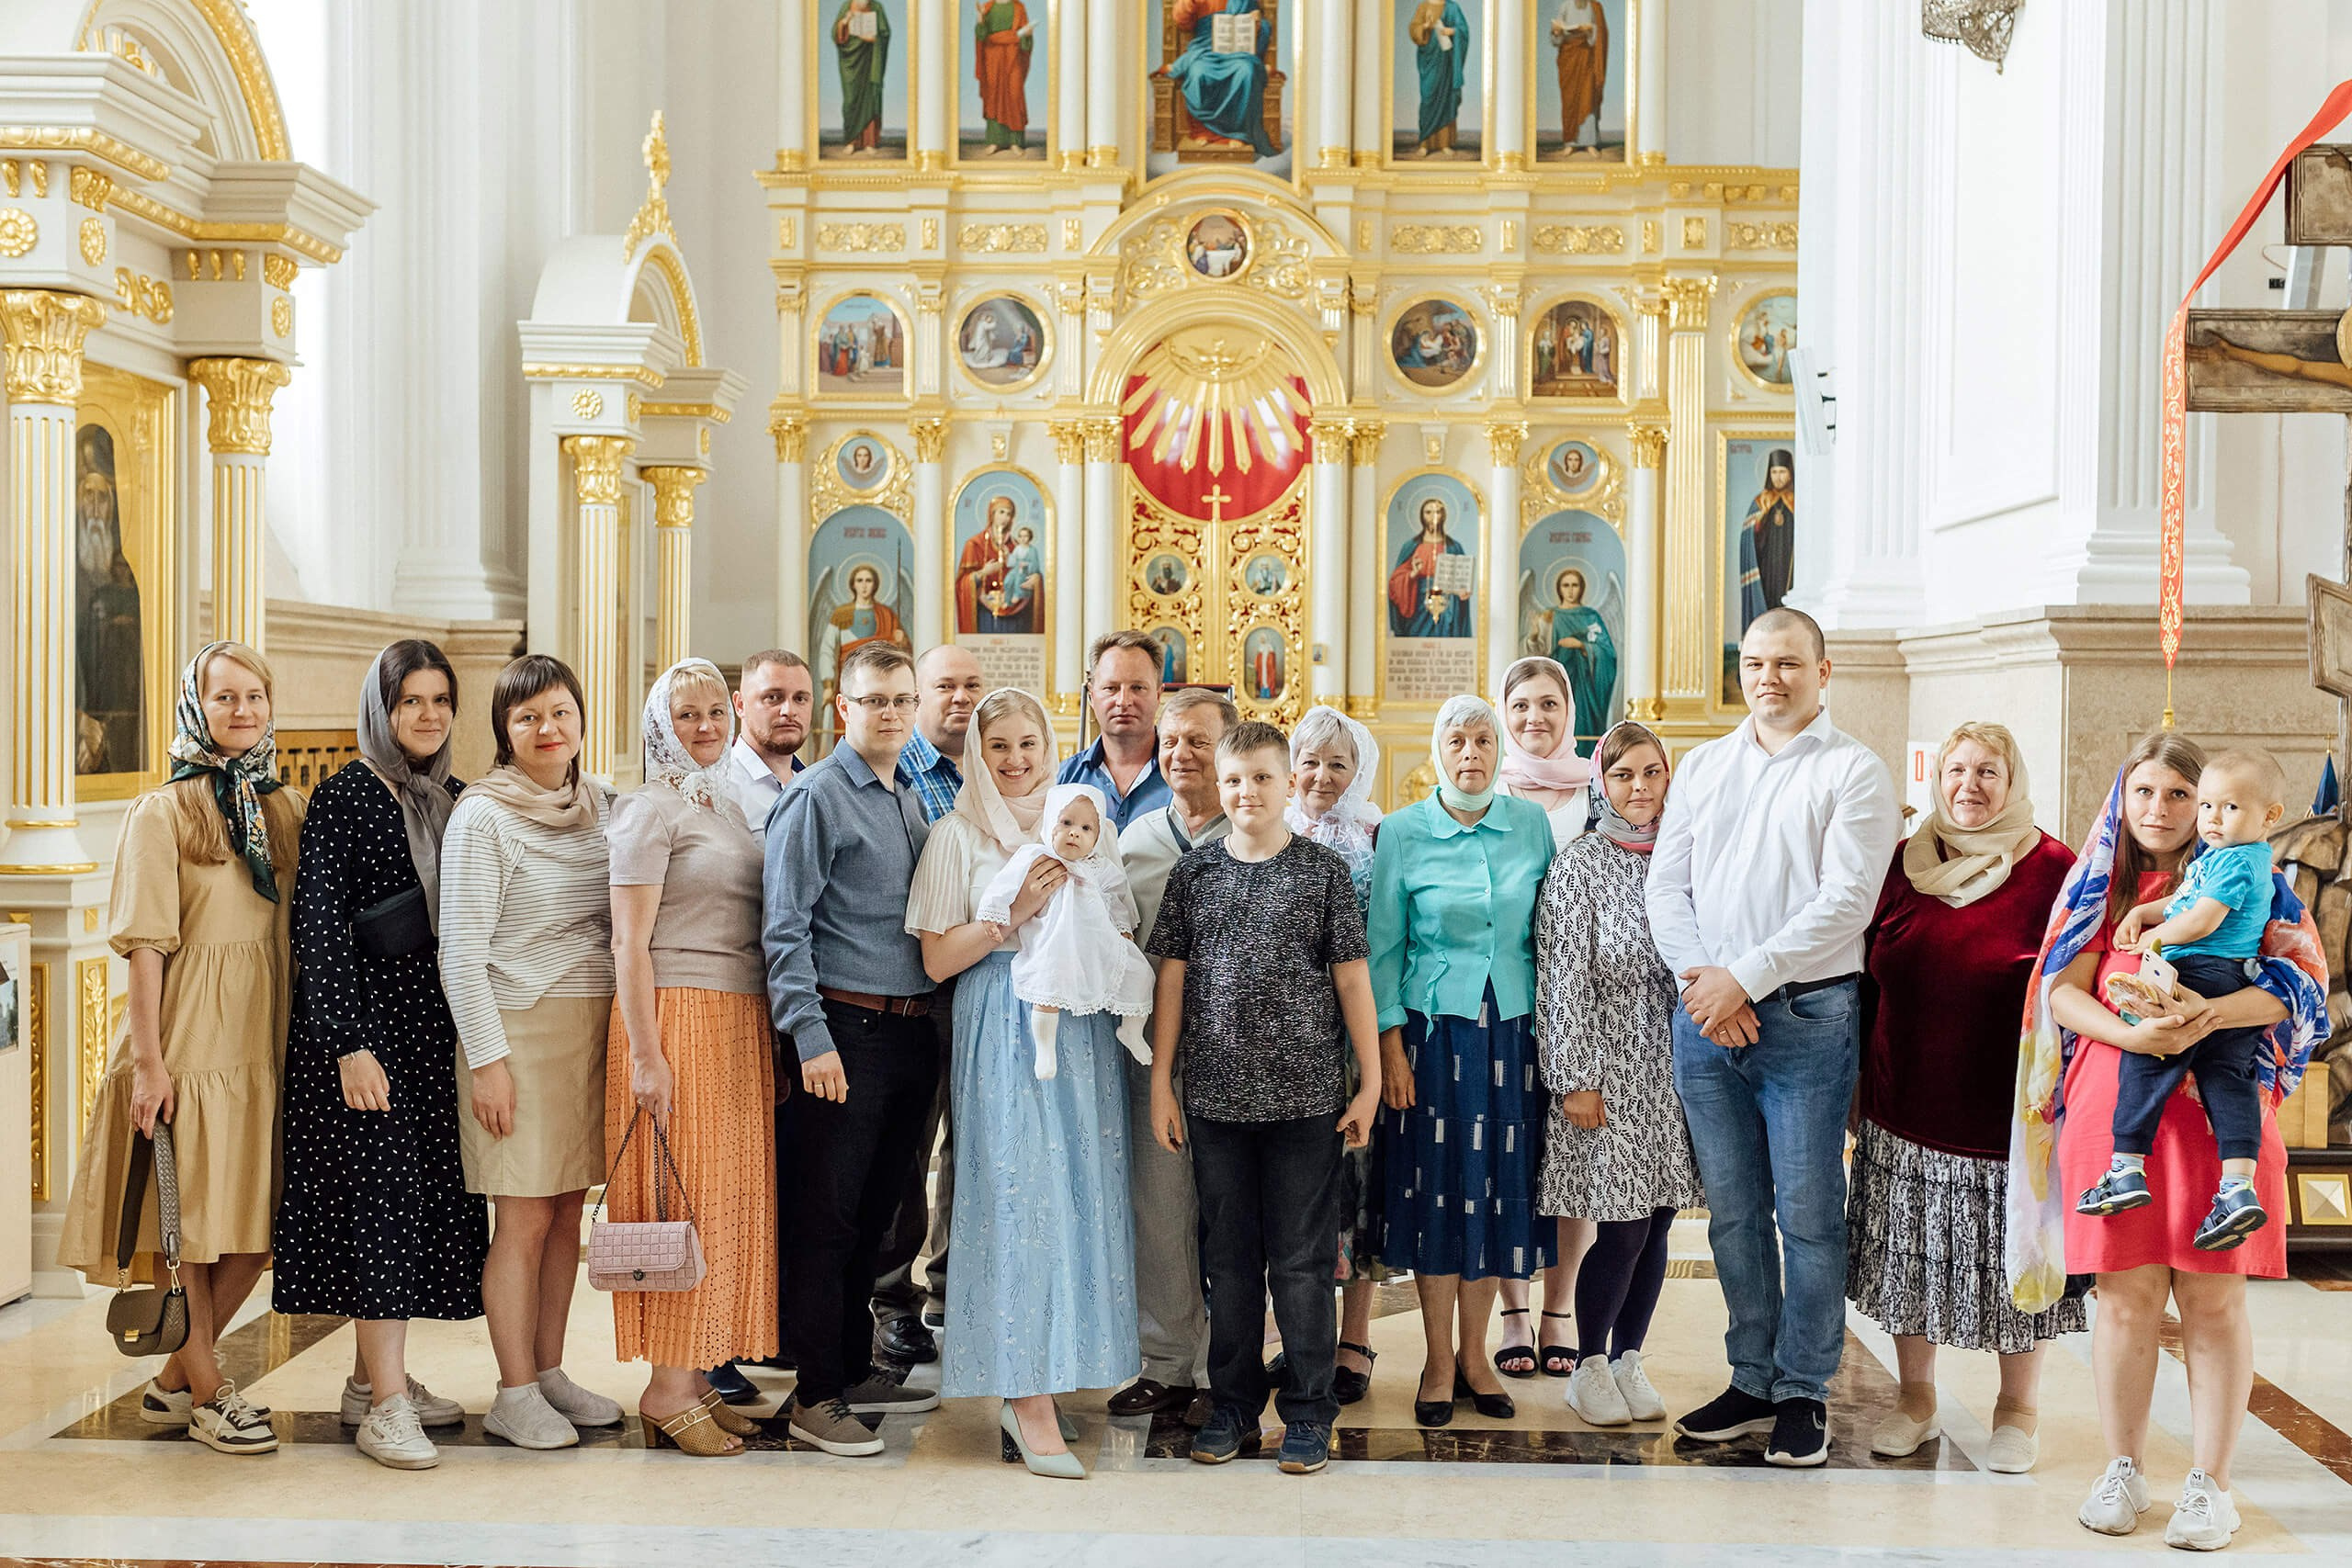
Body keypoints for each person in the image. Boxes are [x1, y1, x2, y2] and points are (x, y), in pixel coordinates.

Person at [2007, 732, 2322, 1550]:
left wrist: (2210, 1014)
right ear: (2123, 798)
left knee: (2213, 1300)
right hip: (2117, 1111)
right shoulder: (2099, 888)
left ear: (2212, 801)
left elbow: (2301, 990)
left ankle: (2211, 1485)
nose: (2161, 808)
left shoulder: (2258, 881)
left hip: (2219, 1121)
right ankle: (2122, 1467)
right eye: (2144, 791)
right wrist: (2136, 1034)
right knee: (2123, 1298)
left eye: (2180, 794)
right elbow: (2061, 994)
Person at [1647, 607, 1899, 1467]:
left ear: (1822, 673)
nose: (1770, 678)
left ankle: (1802, 1388)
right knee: (1732, 1216)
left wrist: (1740, 979)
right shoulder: (1708, 765)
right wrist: (1705, 982)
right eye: (1756, 662)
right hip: (1706, 1017)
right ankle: (1751, 1376)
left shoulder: (1853, 771)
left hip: (1805, 1017)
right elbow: (1665, 886)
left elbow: (1846, 900)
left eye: (1789, 663)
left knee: (1809, 1213)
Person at [59, 641, 305, 1456]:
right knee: (187, 1229)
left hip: (259, 1045)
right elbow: (146, 947)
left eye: (255, 696)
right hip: (188, 1043)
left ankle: (169, 1382)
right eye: (225, 697)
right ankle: (209, 1389)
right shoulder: (163, 811)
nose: (242, 711)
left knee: (258, 1226)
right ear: (198, 706)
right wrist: (152, 1063)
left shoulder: (281, 807)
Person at [905, 688, 1139, 1479]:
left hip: (1079, 1026)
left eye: (1027, 744)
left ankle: (1047, 1366)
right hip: (1002, 1022)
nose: (1014, 760)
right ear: (977, 751)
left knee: (1072, 1191)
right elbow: (937, 959)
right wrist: (1018, 911)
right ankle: (1024, 1392)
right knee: (1018, 1194)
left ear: (1048, 746)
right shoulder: (957, 833)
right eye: (997, 745)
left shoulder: (1081, 819)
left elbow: (1119, 919)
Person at [1843, 723, 2078, 1473]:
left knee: (2012, 1264)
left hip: (2006, 1120)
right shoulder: (1903, 864)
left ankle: (2019, 1408)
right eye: (1956, 770)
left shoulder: (2053, 871)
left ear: (2013, 782)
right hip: (1903, 1105)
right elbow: (1864, 981)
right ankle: (1916, 1398)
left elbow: (2076, 985)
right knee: (1913, 1264)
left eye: (1987, 772)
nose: (1969, 786)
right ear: (1935, 777)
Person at [1148, 721, 1381, 1476]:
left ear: (1288, 786)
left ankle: (1311, 1409)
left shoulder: (1322, 872)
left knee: (1304, 1261)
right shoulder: (1197, 874)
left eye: (1261, 778)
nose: (1247, 792)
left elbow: (1352, 980)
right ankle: (1233, 1405)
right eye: (1234, 779)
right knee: (1231, 1261)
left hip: (1306, 1100)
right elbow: (1172, 982)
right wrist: (1163, 1082)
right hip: (1215, 1099)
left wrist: (1369, 1081)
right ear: (1221, 786)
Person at [274, 641, 481, 1470]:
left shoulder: (457, 799)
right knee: (379, 1208)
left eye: (439, 700)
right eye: (410, 702)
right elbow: (319, 928)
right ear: (382, 710)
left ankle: (372, 1379)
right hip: (367, 1035)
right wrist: (348, 1044)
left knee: (416, 1202)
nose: (427, 715)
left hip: (433, 1035)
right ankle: (386, 1405)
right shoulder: (347, 796)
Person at [436, 654, 624, 1450]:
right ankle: (513, 1389)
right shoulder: (484, 816)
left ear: (581, 719)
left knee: (561, 1215)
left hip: (588, 1026)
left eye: (560, 713)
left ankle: (549, 1371)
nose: (548, 729)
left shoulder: (601, 803)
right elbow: (461, 950)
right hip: (513, 1028)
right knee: (518, 1219)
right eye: (527, 718)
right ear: (504, 733)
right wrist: (487, 1061)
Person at [763, 641, 944, 1456]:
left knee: (876, 1222)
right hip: (844, 1033)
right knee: (825, 1220)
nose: (892, 714)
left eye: (903, 700)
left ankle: (842, 1364)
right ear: (844, 708)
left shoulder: (907, 794)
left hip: (908, 1033)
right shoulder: (817, 796)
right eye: (875, 701)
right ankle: (815, 1394)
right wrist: (810, 1038)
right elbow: (784, 929)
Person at [604, 660, 779, 1457]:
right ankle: (665, 1388)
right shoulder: (647, 808)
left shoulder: (729, 804)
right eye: (685, 714)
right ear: (657, 723)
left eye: (715, 710)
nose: (704, 726)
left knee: (726, 1196)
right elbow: (627, 941)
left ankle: (700, 1374)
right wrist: (646, 1052)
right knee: (687, 1198)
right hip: (676, 1014)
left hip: (737, 1016)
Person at [1370, 695, 1555, 1427]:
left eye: (1484, 738)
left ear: (1500, 747)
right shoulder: (1404, 830)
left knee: (1496, 1193)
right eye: (1457, 739)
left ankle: (1476, 1355)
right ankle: (1437, 1358)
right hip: (1431, 1036)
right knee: (1439, 1191)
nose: (1471, 751)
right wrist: (1389, 1046)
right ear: (1438, 751)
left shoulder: (1531, 825)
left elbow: (1549, 935)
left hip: (1512, 1033)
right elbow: (1383, 945)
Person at [1534, 720, 1701, 1427]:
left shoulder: (1684, 856)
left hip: (1678, 1066)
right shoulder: (1581, 863)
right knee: (1624, 1223)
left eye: (1652, 772)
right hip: (1608, 1066)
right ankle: (1588, 1363)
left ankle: (1630, 1357)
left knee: (1661, 1218)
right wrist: (1574, 1075)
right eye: (1625, 773)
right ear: (1603, 782)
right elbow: (1562, 976)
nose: (1639, 787)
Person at [2083, 749, 2290, 1251]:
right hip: (2230, 977)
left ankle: (2126, 1169)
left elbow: (2199, 920)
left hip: (2201, 969)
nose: (2214, 819)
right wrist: (2147, 912)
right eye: (2209, 806)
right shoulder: (2217, 859)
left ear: (2269, 816)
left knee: (2149, 1059)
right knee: (2230, 1078)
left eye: (2229, 808)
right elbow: (2184, 900)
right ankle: (2237, 1187)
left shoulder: (2241, 861)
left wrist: (2154, 942)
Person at [1105, 687, 1239, 1422]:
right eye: (1172, 741)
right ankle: (1167, 1360)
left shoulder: (1253, 836)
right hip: (1150, 1054)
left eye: (1199, 742)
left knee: (1231, 1214)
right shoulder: (1132, 842)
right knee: (1159, 1210)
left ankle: (1231, 1360)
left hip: (1237, 1060)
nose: (1181, 754)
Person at [869, 643, 980, 1364]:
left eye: (973, 684)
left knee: (972, 1148)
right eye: (945, 686)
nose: (960, 698)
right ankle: (891, 1300)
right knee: (905, 1154)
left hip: (983, 992)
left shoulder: (994, 772)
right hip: (910, 993)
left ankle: (950, 1285)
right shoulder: (895, 772)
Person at [1284, 705, 1385, 1404]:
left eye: (1338, 764)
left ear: (1358, 772)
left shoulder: (1377, 835)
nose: (1323, 776)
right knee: (1290, 1193)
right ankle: (1290, 1336)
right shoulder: (1268, 826)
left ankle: (1354, 1336)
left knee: (1356, 1186)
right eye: (1312, 761)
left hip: (1352, 1035)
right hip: (1282, 1040)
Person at [977, 784, 1155, 1073]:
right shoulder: (1035, 857)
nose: (1075, 832)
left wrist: (1123, 930)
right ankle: (1044, 1048)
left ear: (1097, 838)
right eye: (1067, 823)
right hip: (1054, 942)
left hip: (1099, 944)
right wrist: (992, 914)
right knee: (1048, 984)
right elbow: (1003, 886)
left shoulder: (1102, 868)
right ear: (1050, 824)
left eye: (1086, 828)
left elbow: (1117, 902)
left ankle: (1132, 1030)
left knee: (1141, 973)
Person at [1058, 630, 1170, 831]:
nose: (1123, 701)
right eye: (1111, 688)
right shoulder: (1064, 779)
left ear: (1158, 694)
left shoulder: (1183, 776)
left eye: (1137, 687)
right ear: (1092, 696)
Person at [1167, 0, 1278, 159]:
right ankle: (1203, 131)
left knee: (1245, 71)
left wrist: (1257, 22)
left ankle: (1238, 134)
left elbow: (1261, 26)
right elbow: (1182, 22)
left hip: (1237, 52)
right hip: (1204, 50)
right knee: (1198, 73)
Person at [726, 649, 812, 832]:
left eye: (800, 699)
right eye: (773, 698)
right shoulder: (720, 787)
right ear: (740, 705)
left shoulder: (819, 785)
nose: (789, 710)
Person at [1542, 570, 1617, 753]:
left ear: (1582, 588)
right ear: (1559, 588)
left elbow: (1608, 653)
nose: (1570, 590)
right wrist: (1535, 638)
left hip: (1586, 686)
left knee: (1584, 722)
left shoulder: (1590, 616)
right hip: (1557, 682)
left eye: (1575, 585)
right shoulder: (1550, 616)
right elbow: (1539, 650)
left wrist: (1582, 646)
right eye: (1565, 585)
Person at [1387, 498, 1472, 637]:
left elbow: (1462, 578)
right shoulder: (1411, 546)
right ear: (1422, 516)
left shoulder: (1452, 547)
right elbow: (1395, 581)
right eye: (1428, 512)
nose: (1434, 516)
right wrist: (1412, 574)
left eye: (1438, 512)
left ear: (1443, 516)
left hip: (1447, 604)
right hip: (1418, 604)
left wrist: (1462, 591)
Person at [1736, 450, 1797, 625]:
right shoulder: (1761, 501)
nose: (1778, 477)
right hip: (1767, 563)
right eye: (1774, 472)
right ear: (1769, 474)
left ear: (1790, 473)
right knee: (1769, 597)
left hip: (1789, 562)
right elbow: (1749, 539)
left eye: (1782, 472)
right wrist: (1758, 524)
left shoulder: (1797, 500)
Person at [1408, 1, 1471, 157]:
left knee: (1446, 100)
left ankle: (1444, 143)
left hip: (1447, 61)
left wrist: (1453, 31)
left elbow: (1463, 30)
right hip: (1429, 60)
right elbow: (1414, 28)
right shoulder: (1424, 6)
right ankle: (1425, 143)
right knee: (1428, 98)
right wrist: (1424, 27)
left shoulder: (1452, 7)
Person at [972, 0, 1035, 155]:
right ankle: (994, 141)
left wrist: (1027, 35)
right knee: (993, 97)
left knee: (1014, 96)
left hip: (1013, 57)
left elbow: (1025, 40)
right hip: (992, 58)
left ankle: (1015, 142)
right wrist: (980, 20)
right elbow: (981, 36)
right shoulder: (987, 7)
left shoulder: (1019, 8)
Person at [831, 0, 892, 154]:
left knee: (871, 99)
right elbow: (837, 36)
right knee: (851, 100)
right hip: (851, 61)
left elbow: (885, 34)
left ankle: (869, 143)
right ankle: (851, 141)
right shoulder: (846, 6)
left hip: (871, 62)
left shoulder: (877, 7)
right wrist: (844, 22)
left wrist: (874, 39)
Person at [1552, 2, 1609, 151]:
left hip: (1587, 57)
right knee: (1570, 99)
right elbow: (1557, 32)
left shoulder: (1595, 7)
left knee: (1588, 97)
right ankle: (1570, 142)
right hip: (1569, 57)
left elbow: (1601, 33)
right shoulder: (1565, 6)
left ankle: (1590, 143)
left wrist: (1591, 30)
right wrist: (1557, 32)